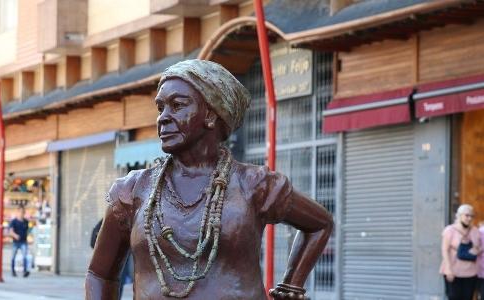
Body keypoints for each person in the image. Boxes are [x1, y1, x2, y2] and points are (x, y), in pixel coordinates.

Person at [86, 59, 333, 299]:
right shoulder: (132, 191)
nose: (163, 117)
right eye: (161, 108)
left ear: (211, 115)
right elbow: (100, 274)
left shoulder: (254, 184)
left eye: (177, 105)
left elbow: (320, 224)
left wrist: (292, 287)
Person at [441, 204, 480, 300]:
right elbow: (444, 250)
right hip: (454, 271)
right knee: (454, 297)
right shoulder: (450, 230)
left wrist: (477, 250)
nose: (469, 218)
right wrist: (448, 269)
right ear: (459, 215)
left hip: (471, 273)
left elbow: (479, 248)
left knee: (468, 297)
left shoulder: (475, 231)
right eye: (467, 215)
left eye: (472, 216)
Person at [9, 205, 30, 277]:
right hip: (16, 242)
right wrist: (15, 235)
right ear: (18, 212)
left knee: (25, 256)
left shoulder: (26, 222)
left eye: (23, 212)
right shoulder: (13, 221)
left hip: (23, 241)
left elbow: (27, 231)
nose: (22, 213)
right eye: (21, 212)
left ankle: (25, 271)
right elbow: (10, 231)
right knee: (13, 257)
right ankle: (13, 271)